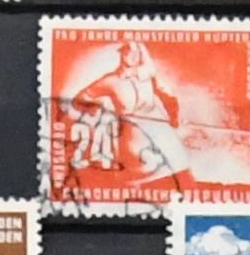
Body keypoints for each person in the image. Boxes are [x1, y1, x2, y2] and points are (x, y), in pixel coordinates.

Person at [68, 37, 194, 191]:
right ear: (122, 54)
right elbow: (80, 99)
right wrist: (94, 107)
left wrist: (173, 117)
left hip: (156, 121)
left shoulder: (148, 76)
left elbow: (167, 95)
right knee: (138, 170)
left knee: (179, 161)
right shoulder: (110, 80)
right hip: (130, 127)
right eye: (129, 52)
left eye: (137, 53)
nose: (133, 56)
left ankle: (189, 194)